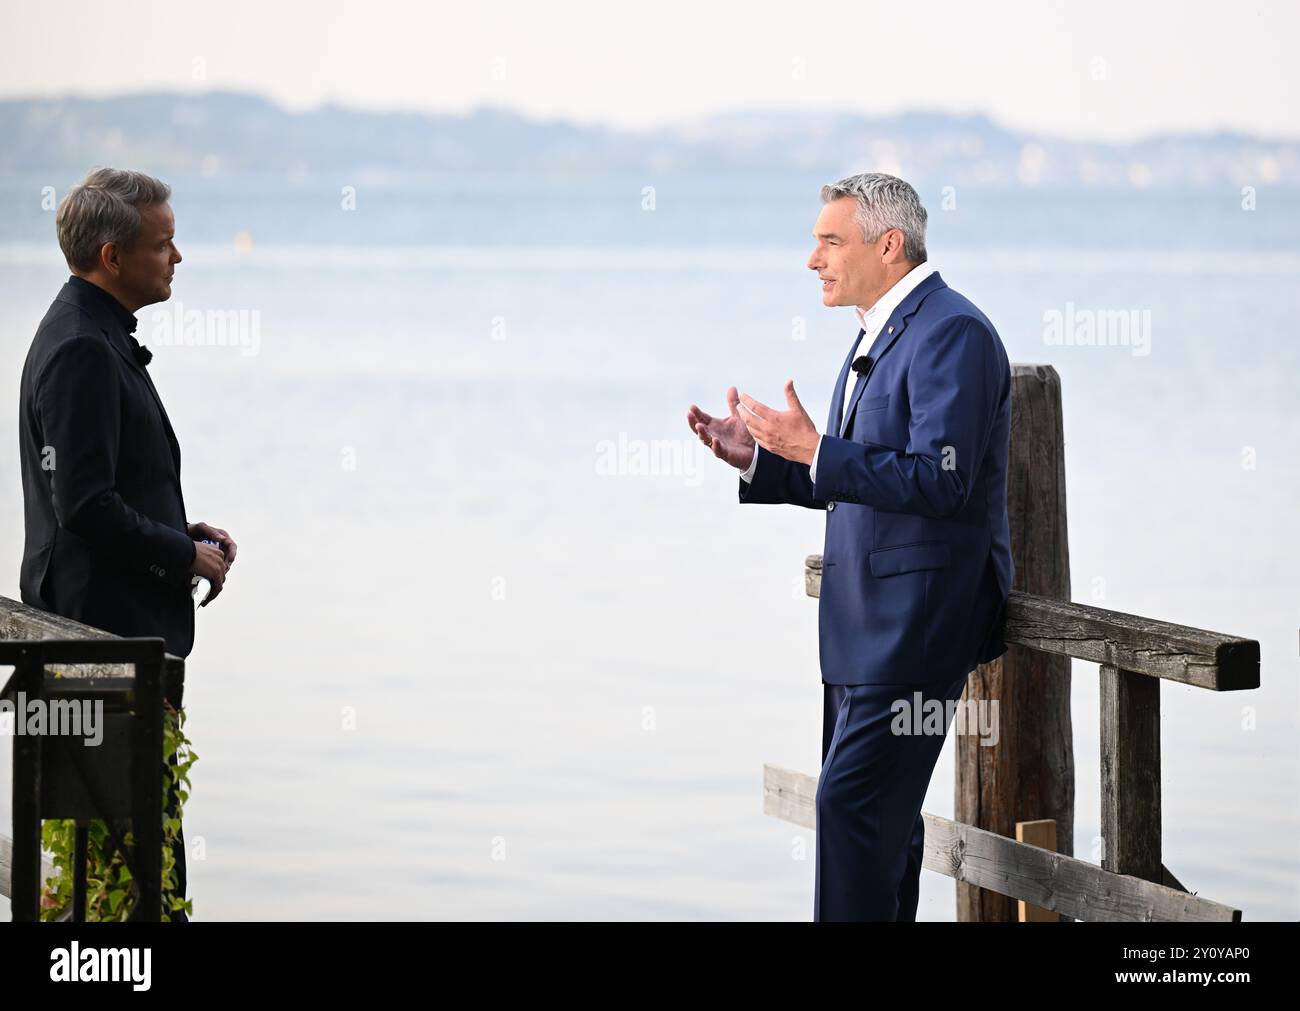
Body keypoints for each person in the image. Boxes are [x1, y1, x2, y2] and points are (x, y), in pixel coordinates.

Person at [687, 172, 1012, 921]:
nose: (813, 260)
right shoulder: (881, 330)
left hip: (916, 631)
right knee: (879, 831)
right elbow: (858, 479)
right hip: (862, 634)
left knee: (850, 813)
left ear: (888, 244)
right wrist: (767, 459)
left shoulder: (950, 332)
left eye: (830, 241)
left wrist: (819, 449)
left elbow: (941, 481)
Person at [17, 167, 238, 921]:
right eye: (163, 244)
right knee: (127, 885)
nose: (178, 258)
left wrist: (185, 532)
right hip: (100, 650)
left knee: (109, 877)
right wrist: (182, 556)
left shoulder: (88, 331)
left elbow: (104, 492)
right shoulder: (82, 347)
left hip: (94, 643)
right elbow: (84, 506)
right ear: (112, 256)